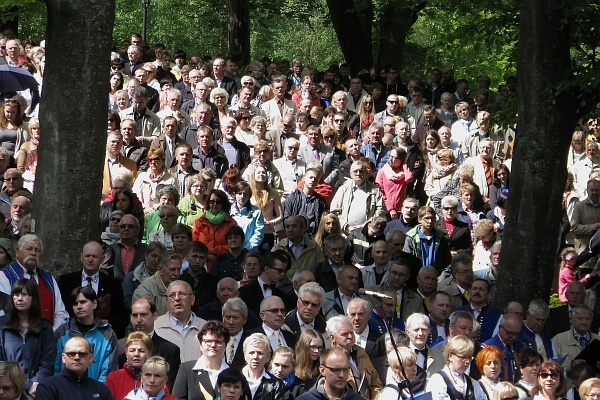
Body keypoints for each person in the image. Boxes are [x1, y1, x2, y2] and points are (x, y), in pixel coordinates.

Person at [0, 234, 68, 331]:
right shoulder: (4, 276)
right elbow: (5, 311)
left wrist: (51, 333)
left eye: (37, 250)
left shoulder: (49, 278)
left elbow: (60, 312)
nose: (33, 253)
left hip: (49, 338)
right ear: (17, 252)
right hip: (18, 337)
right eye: (29, 249)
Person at [0, 279, 55, 397]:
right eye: (16, 294)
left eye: (24, 294)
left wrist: (37, 382)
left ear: (33, 298)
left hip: (35, 389)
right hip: (7, 389)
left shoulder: (45, 327)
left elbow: (48, 361)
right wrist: (9, 382)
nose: (19, 298)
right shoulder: (2, 325)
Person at [54, 287, 118, 382]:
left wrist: (97, 392)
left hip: (96, 392)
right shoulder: (62, 331)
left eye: (83, 302)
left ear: (94, 303)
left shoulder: (108, 333)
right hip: (64, 391)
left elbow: (109, 371)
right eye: (75, 304)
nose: (79, 306)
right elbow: (55, 367)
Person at [36, 337, 114, 400]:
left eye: (82, 354)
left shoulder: (102, 390)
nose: (77, 357)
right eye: (72, 354)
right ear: (63, 358)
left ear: (90, 358)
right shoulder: (48, 387)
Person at [172, 321, 230, 400]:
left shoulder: (233, 372)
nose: (213, 345)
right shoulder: (187, 369)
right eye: (208, 341)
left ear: (226, 345)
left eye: (218, 342)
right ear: (200, 344)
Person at [154, 281, 207, 363]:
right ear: (166, 302)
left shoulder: (206, 328)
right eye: (172, 295)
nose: (177, 298)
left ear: (192, 299)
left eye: (182, 294)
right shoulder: (156, 326)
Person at [425, 335, 487, 399]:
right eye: (463, 357)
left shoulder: (472, 383)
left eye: (469, 357)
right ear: (450, 356)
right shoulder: (438, 380)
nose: (467, 361)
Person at [191, 189, 238, 265]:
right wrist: (207, 256)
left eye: (218, 202)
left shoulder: (231, 223)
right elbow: (194, 243)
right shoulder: (199, 222)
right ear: (208, 203)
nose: (215, 204)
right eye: (212, 201)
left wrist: (216, 250)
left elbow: (234, 244)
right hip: (201, 262)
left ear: (223, 204)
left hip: (224, 261)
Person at [105, 332, 153, 400]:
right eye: (132, 350)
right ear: (126, 353)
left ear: (149, 354)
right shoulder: (113, 378)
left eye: (141, 351)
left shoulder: (155, 378)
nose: (136, 354)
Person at [551, 304, 599, 372]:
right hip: (569, 382)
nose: (584, 322)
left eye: (588, 319)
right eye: (580, 318)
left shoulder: (597, 339)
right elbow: (551, 367)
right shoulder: (558, 340)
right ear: (571, 320)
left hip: (592, 381)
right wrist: (570, 366)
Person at [241, 333, 288, 400]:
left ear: (268, 356)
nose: (255, 357)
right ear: (245, 355)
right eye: (251, 353)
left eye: (260, 353)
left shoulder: (276, 385)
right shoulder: (233, 380)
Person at [133, 149, 178, 213]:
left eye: (156, 159)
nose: (153, 162)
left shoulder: (171, 180)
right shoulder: (141, 177)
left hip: (163, 213)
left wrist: (155, 209)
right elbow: (135, 196)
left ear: (163, 161)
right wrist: (143, 209)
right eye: (150, 160)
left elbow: (174, 200)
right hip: (143, 213)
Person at [249, 165, 283, 252]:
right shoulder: (248, 192)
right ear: (254, 175)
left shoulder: (273, 193)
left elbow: (280, 216)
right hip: (251, 233)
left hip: (267, 233)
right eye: (259, 172)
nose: (262, 174)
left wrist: (270, 223)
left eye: (264, 172)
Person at [376, 146, 414, 220]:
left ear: (401, 160)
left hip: (400, 210)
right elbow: (380, 192)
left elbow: (409, 178)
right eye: (390, 156)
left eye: (394, 157)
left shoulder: (403, 173)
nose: (390, 159)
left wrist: (405, 165)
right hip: (386, 210)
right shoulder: (383, 171)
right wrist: (390, 209)